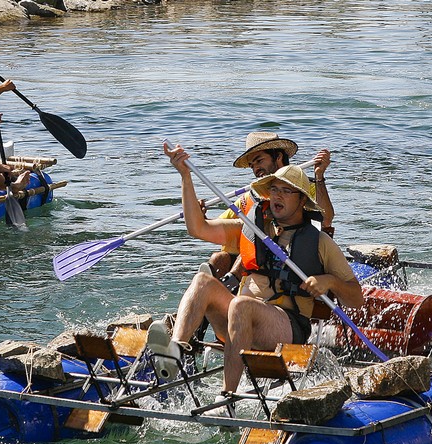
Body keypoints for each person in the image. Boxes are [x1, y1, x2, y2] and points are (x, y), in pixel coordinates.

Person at [150, 142, 364, 405]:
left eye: (287, 191)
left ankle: (226, 397)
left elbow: (356, 298)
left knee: (241, 305)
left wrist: (329, 280)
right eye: (274, 190)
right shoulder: (251, 226)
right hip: (239, 322)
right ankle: (175, 353)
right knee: (203, 281)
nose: (277, 196)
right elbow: (198, 228)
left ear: (301, 200)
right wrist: (185, 175)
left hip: (286, 327)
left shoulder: (320, 242)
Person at [203, 132, 334, 288]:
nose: (256, 169)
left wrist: (319, 176)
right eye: (252, 166)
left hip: (288, 259)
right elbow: (217, 228)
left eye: (259, 161)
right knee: (219, 258)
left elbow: (326, 219)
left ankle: (228, 287)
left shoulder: (303, 189)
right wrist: (201, 217)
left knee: (259, 234)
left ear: (278, 157)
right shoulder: (250, 197)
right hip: (254, 260)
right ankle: (207, 294)